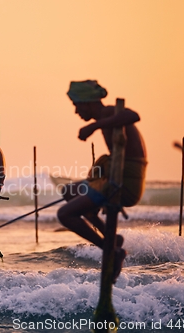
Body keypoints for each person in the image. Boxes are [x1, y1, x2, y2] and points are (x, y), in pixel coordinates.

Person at [57, 80, 147, 282]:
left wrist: (94, 126)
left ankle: (110, 249)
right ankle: (111, 238)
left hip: (125, 182)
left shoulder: (108, 113)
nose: (76, 112)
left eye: (76, 105)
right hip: (114, 177)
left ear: (87, 102)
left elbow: (134, 115)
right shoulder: (108, 118)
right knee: (69, 192)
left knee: (64, 214)